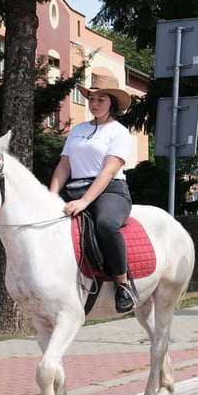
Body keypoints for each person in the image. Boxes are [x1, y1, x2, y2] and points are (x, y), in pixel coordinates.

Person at [49, 68, 137, 313]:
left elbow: (109, 171)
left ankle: (123, 285)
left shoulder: (119, 132)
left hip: (110, 191)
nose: (94, 104)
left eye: (101, 99)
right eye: (92, 99)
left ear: (113, 103)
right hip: (75, 189)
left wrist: (85, 202)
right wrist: (50, 197)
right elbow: (64, 165)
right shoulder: (77, 130)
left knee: (106, 224)